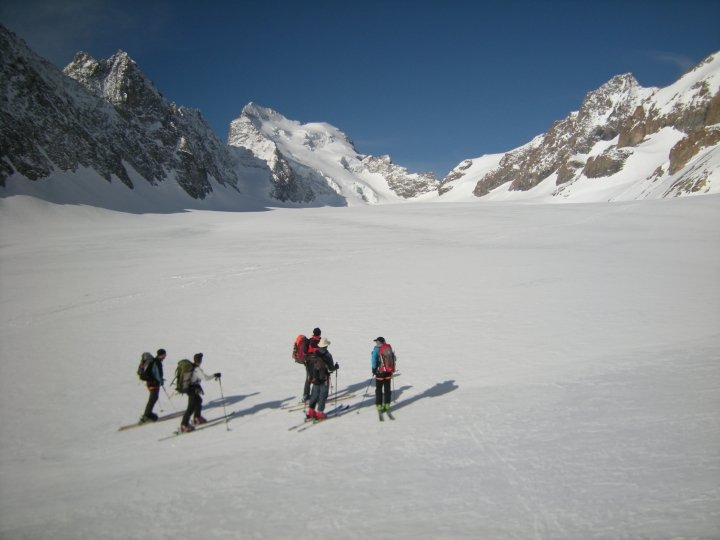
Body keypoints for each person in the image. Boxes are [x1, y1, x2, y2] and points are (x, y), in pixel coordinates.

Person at [180, 353, 221, 433]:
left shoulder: (193, 367)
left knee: (199, 401)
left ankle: (197, 418)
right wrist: (214, 375)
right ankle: (184, 425)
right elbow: (205, 378)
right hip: (192, 389)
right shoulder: (197, 369)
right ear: (200, 360)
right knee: (190, 408)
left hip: (191, 388)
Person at [306, 337, 339, 421]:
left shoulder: (314, 353)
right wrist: (336, 367)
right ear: (326, 346)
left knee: (314, 394)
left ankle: (311, 411)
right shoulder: (328, 355)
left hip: (315, 378)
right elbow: (331, 368)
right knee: (322, 395)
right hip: (324, 378)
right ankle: (320, 413)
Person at [140, 348, 167, 423]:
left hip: (150, 383)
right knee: (153, 399)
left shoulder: (154, 362)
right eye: (164, 355)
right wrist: (160, 381)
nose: (165, 357)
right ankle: (146, 415)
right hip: (153, 383)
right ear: (161, 355)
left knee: (153, 398)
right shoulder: (156, 362)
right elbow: (157, 374)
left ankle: (148, 414)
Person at [371, 337, 395, 413]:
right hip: (388, 371)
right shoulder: (388, 347)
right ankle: (387, 405)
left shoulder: (376, 349)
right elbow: (393, 358)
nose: (376, 343)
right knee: (387, 389)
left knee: (378, 389)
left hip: (380, 372)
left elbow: (373, 360)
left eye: (377, 341)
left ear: (379, 342)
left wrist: (374, 369)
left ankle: (379, 406)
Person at [302, 327, 322, 402]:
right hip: (315, 363)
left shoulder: (310, 340)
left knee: (309, 378)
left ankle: (305, 395)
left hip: (307, 362)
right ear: (319, 333)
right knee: (315, 378)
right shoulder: (319, 342)